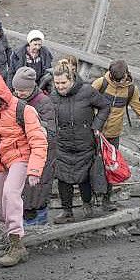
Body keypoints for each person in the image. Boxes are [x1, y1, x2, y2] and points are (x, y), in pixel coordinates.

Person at [0, 72, 47, 267]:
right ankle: (7, 238)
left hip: (20, 157)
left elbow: (38, 140)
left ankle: (17, 243)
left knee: (11, 193)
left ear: (1, 95)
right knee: (0, 205)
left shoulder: (23, 110)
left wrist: (34, 170)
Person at [91, 60, 140, 211]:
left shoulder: (131, 89)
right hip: (95, 133)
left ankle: (106, 199)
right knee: (93, 165)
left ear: (126, 74)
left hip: (113, 135)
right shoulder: (100, 83)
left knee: (111, 167)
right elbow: (84, 102)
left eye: (120, 80)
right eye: (114, 79)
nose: (117, 82)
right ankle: (91, 198)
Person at [50, 59, 110, 224]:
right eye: (57, 83)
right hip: (63, 143)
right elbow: (46, 115)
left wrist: (96, 125)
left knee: (84, 176)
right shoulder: (53, 96)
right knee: (63, 178)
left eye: (63, 82)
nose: (60, 86)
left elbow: (105, 106)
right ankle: (67, 211)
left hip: (85, 142)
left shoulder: (86, 91)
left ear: (72, 79)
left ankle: (87, 205)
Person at [12, 67, 56, 225]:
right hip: (21, 150)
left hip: (42, 151)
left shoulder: (43, 102)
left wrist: (30, 122)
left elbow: (51, 131)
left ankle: (40, 219)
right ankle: (25, 217)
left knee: (38, 186)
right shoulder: (15, 100)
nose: (19, 93)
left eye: (23, 90)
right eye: (16, 90)